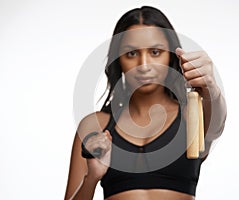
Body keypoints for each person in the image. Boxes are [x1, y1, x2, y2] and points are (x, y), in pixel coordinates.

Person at [65, 5, 227, 200]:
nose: (144, 65)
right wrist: (91, 178)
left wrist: (211, 87)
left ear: (170, 56)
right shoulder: (95, 125)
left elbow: (216, 126)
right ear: (118, 60)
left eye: (155, 52)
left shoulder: (190, 114)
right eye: (132, 54)